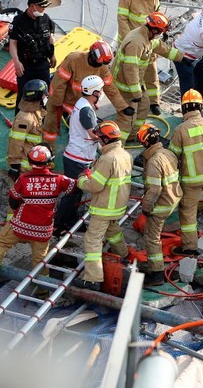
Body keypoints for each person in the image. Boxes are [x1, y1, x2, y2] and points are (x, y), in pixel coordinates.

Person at [0, 146, 75, 295]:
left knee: (0, 243)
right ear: (49, 163)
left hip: (20, 226)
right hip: (42, 230)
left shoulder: (24, 180)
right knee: (40, 261)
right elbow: (75, 187)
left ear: (30, 162)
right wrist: (87, 173)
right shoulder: (58, 179)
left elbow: (13, 201)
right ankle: (42, 291)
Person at [76, 121, 132, 290]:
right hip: (117, 207)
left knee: (92, 240)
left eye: (99, 138)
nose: (98, 141)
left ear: (107, 140)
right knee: (113, 232)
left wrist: (82, 180)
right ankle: (124, 255)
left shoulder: (108, 159)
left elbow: (95, 186)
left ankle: (93, 279)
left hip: (104, 208)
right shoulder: (125, 155)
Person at [170, 89, 203, 257]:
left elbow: (173, 156)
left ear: (184, 108)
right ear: (200, 107)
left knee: (187, 213)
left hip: (191, 180)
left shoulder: (180, 130)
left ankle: (190, 247)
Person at [112, 11, 182, 141]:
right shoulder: (136, 43)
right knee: (128, 117)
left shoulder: (147, 37)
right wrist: (136, 93)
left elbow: (161, 48)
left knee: (144, 107)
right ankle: (116, 146)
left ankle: (132, 137)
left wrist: (181, 57)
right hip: (125, 86)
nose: (160, 35)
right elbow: (130, 69)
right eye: (160, 32)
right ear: (154, 30)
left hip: (135, 84)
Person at [43, 41, 125, 148]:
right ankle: (48, 152)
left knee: (80, 132)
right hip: (62, 100)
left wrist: (123, 106)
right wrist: (56, 103)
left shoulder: (102, 67)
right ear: (91, 54)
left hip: (81, 106)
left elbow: (110, 88)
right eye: (98, 63)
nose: (99, 66)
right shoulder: (74, 60)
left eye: (101, 64)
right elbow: (59, 83)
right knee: (50, 128)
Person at [53, 75, 104, 236]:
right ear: (95, 92)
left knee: (77, 192)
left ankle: (71, 220)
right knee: (72, 193)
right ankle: (58, 224)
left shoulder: (84, 105)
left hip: (78, 156)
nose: (102, 92)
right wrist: (107, 135)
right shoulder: (86, 110)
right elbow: (93, 134)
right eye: (100, 90)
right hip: (77, 158)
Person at [136, 124, 182, 286]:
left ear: (145, 142)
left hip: (161, 204)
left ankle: (156, 274)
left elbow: (154, 190)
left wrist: (146, 208)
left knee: (151, 237)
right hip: (173, 197)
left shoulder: (154, 161)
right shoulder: (168, 153)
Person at [9, 0, 55, 114]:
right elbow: (12, 42)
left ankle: (41, 122)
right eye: (41, 6)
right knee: (23, 95)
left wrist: (52, 55)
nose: (44, 9)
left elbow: (50, 37)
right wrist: (16, 62)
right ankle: (18, 124)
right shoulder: (18, 21)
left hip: (42, 65)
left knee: (45, 95)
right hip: (25, 67)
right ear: (32, 5)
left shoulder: (46, 19)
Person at [7, 80, 46, 183]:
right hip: (24, 170)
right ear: (38, 97)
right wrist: (15, 166)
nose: (46, 96)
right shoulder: (25, 118)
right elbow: (15, 143)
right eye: (44, 94)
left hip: (33, 164)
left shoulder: (35, 112)